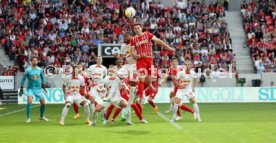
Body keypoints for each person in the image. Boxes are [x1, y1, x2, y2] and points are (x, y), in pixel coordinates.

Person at [130, 23, 175, 106]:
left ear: (141, 28)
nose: (137, 29)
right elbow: (132, 50)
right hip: (140, 61)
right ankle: (141, 97)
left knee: (149, 79)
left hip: (149, 59)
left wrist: (168, 47)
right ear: (134, 30)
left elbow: (158, 41)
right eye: (135, 28)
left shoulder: (147, 34)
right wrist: (135, 55)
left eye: (138, 28)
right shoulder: (133, 39)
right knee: (141, 79)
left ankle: (149, 86)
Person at [19, 57, 49, 123]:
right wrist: (21, 88)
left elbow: (42, 77)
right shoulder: (28, 70)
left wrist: (43, 85)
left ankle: (41, 117)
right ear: (31, 61)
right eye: (34, 60)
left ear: (37, 61)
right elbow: (23, 79)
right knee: (29, 101)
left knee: (43, 103)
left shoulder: (40, 69)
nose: (35, 61)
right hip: (30, 88)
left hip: (38, 89)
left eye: (36, 60)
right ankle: (28, 118)